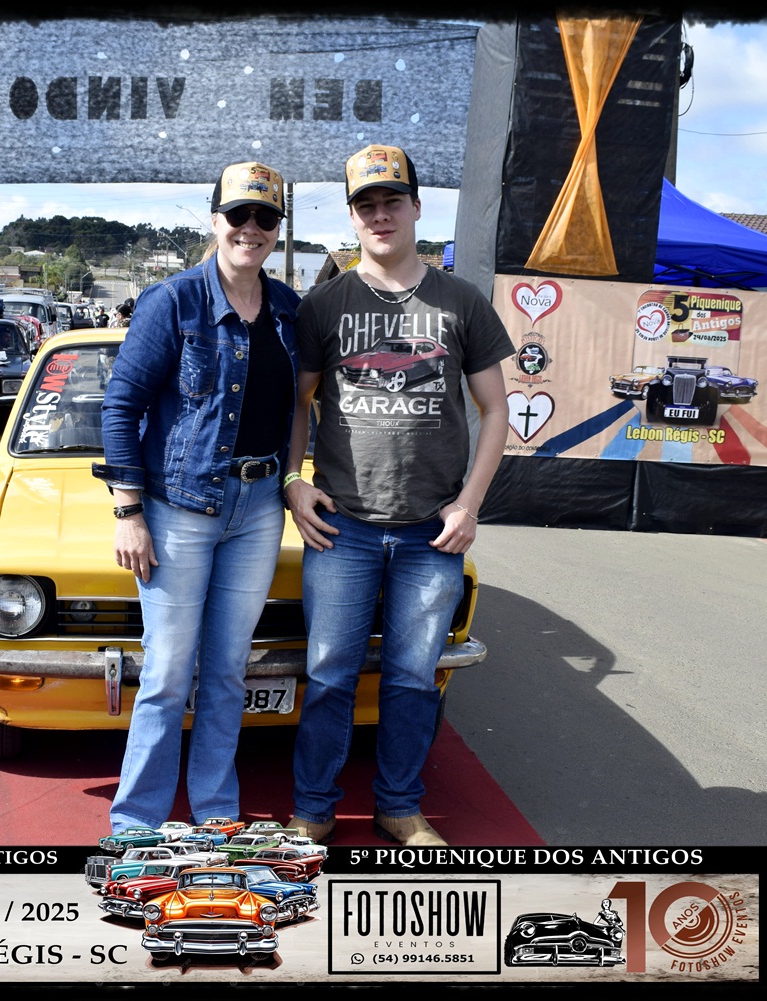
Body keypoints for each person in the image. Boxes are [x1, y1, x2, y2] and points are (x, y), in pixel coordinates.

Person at [283, 144, 515, 847]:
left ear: (416, 207)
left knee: (413, 679)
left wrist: (470, 504)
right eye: (366, 206)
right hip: (343, 527)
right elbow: (299, 403)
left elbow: (496, 410)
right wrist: (293, 481)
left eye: (392, 202)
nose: (380, 216)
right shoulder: (324, 304)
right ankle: (313, 809)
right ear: (353, 217)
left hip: (430, 533)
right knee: (328, 675)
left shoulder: (461, 300)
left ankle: (400, 806)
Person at [92, 161, 300, 833]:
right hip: (178, 508)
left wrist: (295, 480)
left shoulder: (289, 310)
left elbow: (300, 407)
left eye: (265, 217)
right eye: (238, 215)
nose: (250, 228)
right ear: (215, 221)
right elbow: (120, 407)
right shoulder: (172, 301)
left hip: (259, 509)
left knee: (228, 671)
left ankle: (215, 811)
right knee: (167, 672)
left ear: (277, 230)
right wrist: (128, 511)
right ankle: (136, 823)